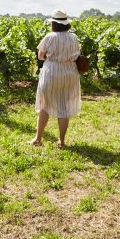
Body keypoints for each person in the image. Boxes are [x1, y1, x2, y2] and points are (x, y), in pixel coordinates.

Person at [32, 9, 81, 148]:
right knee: (64, 107)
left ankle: (38, 139)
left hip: (51, 73)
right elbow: (77, 55)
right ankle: (62, 141)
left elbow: (40, 56)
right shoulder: (73, 37)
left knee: (44, 105)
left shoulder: (49, 37)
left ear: (54, 22)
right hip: (69, 73)